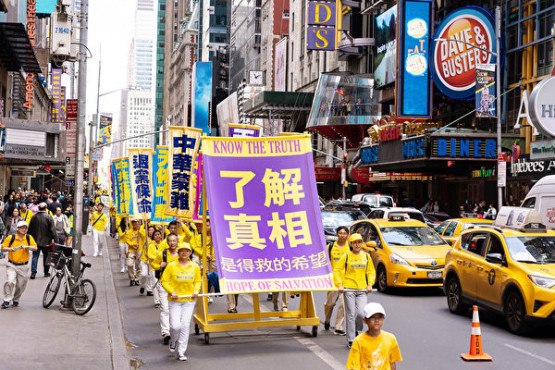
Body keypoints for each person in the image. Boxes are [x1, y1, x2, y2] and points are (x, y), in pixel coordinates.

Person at [160, 242, 201, 361]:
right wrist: (171, 291)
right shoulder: (172, 266)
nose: (184, 252)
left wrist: (196, 290)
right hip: (175, 301)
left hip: (189, 300)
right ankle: (173, 340)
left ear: (189, 253)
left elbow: (198, 281)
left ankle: (181, 351)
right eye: (181, 250)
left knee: (185, 325)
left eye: (186, 250)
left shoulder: (195, 266)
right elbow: (164, 280)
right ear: (178, 253)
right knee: (175, 326)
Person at [334, 233, 376, 348]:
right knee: (351, 314)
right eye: (355, 242)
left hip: (362, 290)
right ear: (351, 244)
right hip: (349, 289)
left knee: (361, 313)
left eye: (359, 242)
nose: (357, 244)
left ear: (362, 243)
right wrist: (340, 285)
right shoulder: (346, 256)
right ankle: (351, 339)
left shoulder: (366, 256)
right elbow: (337, 270)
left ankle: (357, 330)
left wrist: (370, 284)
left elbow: (371, 272)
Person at [346, 302, 402, 370]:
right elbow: (354, 367)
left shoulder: (390, 339)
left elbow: (392, 363)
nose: (377, 320)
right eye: (372, 317)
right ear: (365, 320)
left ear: (383, 319)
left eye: (380, 317)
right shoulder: (359, 341)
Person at [1, 221, 38, 308]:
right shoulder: (11, 237)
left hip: (24, 266)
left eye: (25, 228)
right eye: (22, 227)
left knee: (21, 285)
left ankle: (16, 299)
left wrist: (27, 247)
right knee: (9, 281)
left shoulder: (28, 238)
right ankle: (6, 300)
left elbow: (35, 248)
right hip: (12, 265)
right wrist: (11, 249)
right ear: (17, 228)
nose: (24, 229)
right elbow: (2, 248)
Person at [152, 233, 180, 345]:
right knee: (165, 309)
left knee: (176, 310)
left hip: (178, 286)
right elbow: (153, 264)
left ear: (177, 242)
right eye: (170, 241)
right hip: (164, 285)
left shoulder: (181, 254)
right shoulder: (162, 254)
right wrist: (160, 266)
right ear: (167, 242)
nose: (172, 243)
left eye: (174, 240)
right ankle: (165, 333)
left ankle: (175, 330)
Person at [325, 226, 350, 336]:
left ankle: (338, 327)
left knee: (343, 305)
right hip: (333, 280)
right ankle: (327, 320)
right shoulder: (330, 247)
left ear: (347, 235)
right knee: (330, 304)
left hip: (346, 281)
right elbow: (324, 261)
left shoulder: (351, 248)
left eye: (344, 233)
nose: (342, 235)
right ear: (337, 234)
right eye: (340, 233)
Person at [28, 203, 56, 279]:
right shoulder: (49, 217)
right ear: (45, 208)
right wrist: (56, 240)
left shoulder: (34, 217)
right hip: (47, 242)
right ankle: (46, 272)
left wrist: (29, 240)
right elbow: (53, 230)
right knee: (47, 257)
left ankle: (33, 272)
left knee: (35, 257)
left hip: (35, 241)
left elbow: (29, 230)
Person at [125, 219, 146, 286]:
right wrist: (133, 244)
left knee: (139, 266)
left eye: (135, 222)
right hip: (131, 251)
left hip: (139, 251)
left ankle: (137, 279)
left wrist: (141, 231)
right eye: (133, 222)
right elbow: (127, 240)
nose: (134, 224)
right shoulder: (129, 232)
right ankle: (132, 278)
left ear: (138, 223)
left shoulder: (141, 231)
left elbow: (145, 238)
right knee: (129, 264)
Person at [138, 225, 156, 296]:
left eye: (152, 230)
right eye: (149, 230)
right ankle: (142, 286)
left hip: (152, 261)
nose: (151, 232)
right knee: (143, 274)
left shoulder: (156, 240)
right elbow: (140, 230)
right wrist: (146, 221)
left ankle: (149, 290)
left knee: (150, 276)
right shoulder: (145, 238)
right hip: (144, 260)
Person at [148, 229, 164, 307]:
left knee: (162, 284)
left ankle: (162, 299)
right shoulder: (151, 246)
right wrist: (158, 258)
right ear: (153, 237)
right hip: (154, 268)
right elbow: (149, 255)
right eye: (156, 235)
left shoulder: (164, 245)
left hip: (162, 267)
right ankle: (157, 301)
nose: (158, 236)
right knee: (155, 284)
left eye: (159, 234)